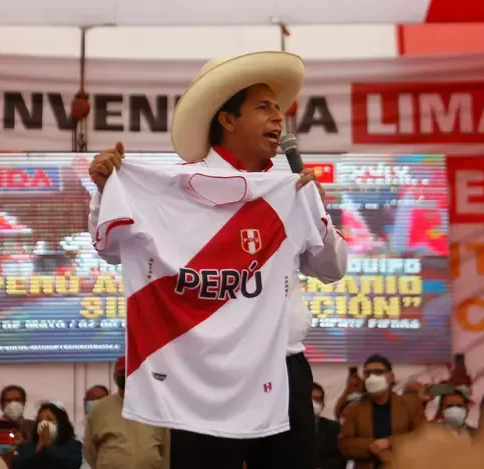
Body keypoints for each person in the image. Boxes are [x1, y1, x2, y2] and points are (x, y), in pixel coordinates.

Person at [88, 50, 347, 469]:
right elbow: (112, 248)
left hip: (281, 370)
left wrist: (318, 211)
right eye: (263, 107)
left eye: (279, 109)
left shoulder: (288, 188)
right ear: (227, 119)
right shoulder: (178, 187)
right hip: (201, 374)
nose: (278, 119)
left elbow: (332, 269)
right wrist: (106, 188)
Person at [391, 387, 484, 469]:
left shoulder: (477, 436)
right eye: (449, 406)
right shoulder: (428, 436)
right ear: (441, 410)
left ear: (467, 409)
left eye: (458, 406)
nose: (454, 410)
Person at [338, 354, 425, 469]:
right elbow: (345, 445)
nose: (372, 377)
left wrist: (390, 442)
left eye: (378, 372)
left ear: (391, 377)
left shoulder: (411, 404)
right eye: (367, 373)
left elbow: (423, 438)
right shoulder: (353, 408)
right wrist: (371, 445)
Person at [84, 357, 169, 469]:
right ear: (115, 377)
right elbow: (90, 451)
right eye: (122, 372)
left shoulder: (157, 408)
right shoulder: (99, 409)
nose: (127, 375)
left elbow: (165, 450)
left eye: (131, 370)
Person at [12, 402, 82, 469]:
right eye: (40, 420)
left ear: (61, 423)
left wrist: (50, 446)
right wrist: (37, 449)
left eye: (49, 419)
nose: (43, 423)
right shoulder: (28, 446)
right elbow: (16, 465)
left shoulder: (73, 445)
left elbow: (74, 464)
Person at [312, 383, 345, 469]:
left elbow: (341, 458)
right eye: (309, 398)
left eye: (317, 399)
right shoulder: (287, 428)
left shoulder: (333, 428)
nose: (313, 403)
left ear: (323, 404)